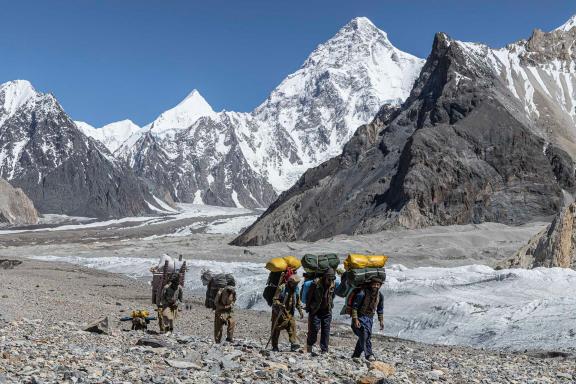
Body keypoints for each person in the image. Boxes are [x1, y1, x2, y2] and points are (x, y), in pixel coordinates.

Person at [351, 278, 384, 361]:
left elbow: (380, 309)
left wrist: (381, 321)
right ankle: (369, 355)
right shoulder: (362, 293)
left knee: (365, 336)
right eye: (374, 284)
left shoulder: (380, 296)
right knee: (364, 334)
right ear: (370, 284)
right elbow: (354, 307)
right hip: (360, 317)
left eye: (378, 285)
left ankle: (356, 355)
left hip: (369, 319)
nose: (376, 286)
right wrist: (355, 319)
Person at [305, 267, 337, 354]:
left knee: (326, 330)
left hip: (327, 311)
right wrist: (308, 307)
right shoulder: (316, 283)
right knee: (314, 329)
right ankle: (309, 344)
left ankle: (324, 350)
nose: (330, 281)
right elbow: (309, 296)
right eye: (328, 279)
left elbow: (332, 296)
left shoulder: (333, 284)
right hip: (315, 310)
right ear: (324, 277)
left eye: (332, 279)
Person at [270, 274, 304, 352]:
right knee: (276, 329)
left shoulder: (296, 289)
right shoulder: (282, 288)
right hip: (279, 312)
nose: (295, 285)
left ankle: (293, 344)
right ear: (290, 282)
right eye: (294, 284)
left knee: (292, 327)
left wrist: (300, 311)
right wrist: (280, 304)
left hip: (290, 313)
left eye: (296, 284)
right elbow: (275, 299)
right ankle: (275, 346)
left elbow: (297, 301)